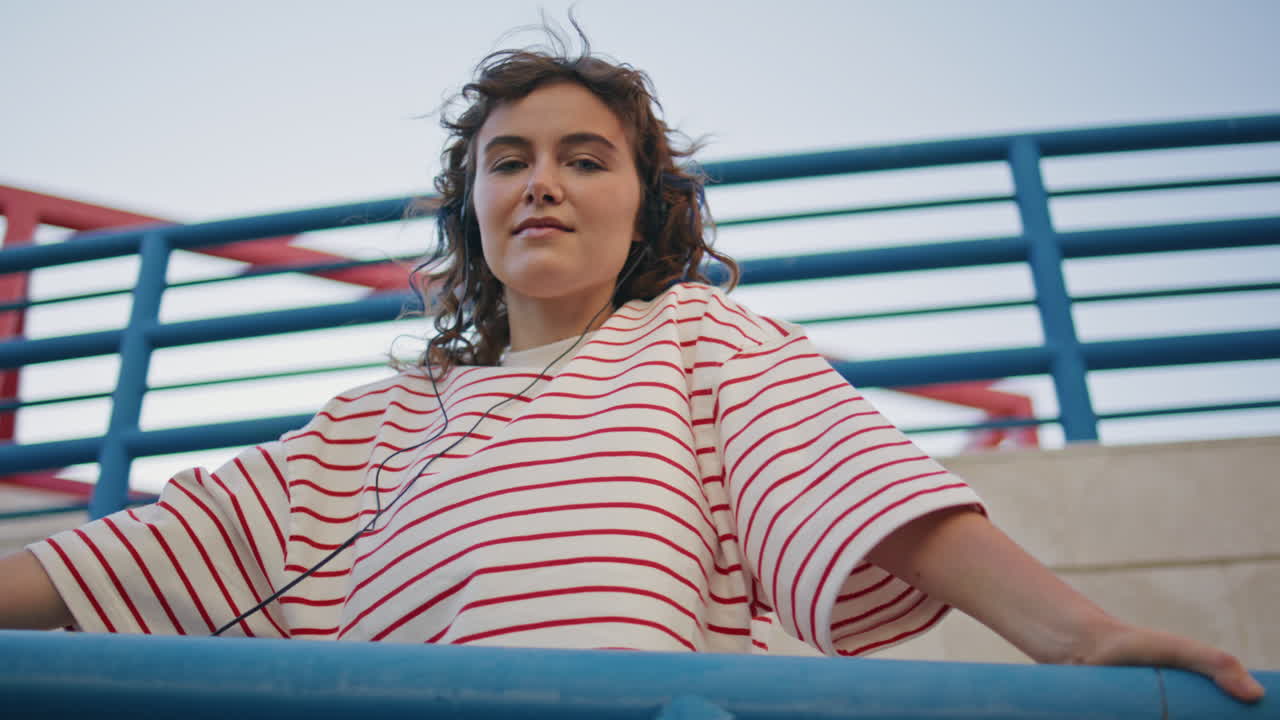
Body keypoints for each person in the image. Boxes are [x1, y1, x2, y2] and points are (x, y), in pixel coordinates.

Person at [0, 28, 1264, 704]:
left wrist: (1080, 636)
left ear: (639, 203)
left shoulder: (699, 343)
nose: (542, 179)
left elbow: (868, 499)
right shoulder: (367, 427)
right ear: (474, 211)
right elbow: (92, 566)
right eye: (509, 160)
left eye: (584, 157)